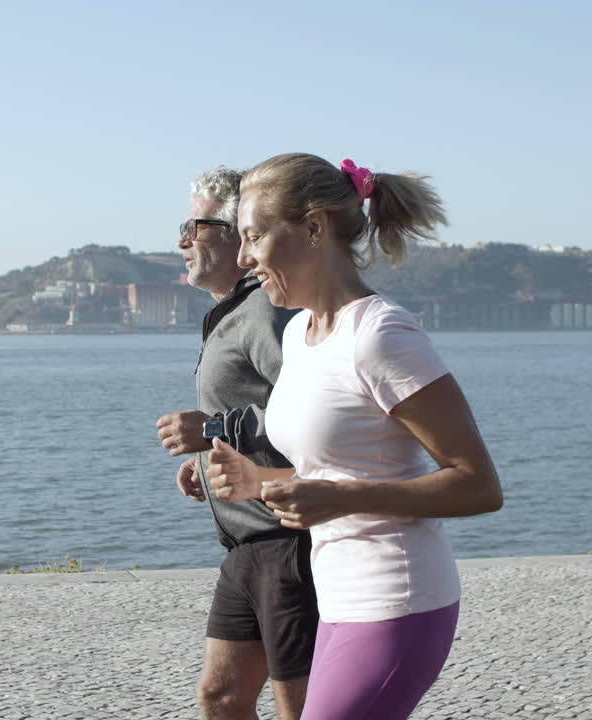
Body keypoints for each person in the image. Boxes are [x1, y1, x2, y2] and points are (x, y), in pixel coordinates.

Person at [206, 153, 504, 720]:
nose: (243, 258)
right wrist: (260, 480)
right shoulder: (299, 335)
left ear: (314, 229)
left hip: (398, 602)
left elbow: (478, 485)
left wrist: (341, 500)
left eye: (254, 237)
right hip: (337, 601)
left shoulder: (381, 334)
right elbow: (341, 468)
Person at [155, 166, 318, 720]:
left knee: (298, 707)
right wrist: (206, 463)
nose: (181, 240)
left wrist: (218, 430)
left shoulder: (265, 310)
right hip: (244, 547)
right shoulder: (228, 313)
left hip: (286, 540)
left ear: (234, 233)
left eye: (192, 226)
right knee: (220, 697)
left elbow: (313, 410)